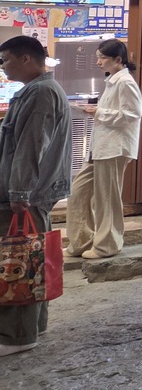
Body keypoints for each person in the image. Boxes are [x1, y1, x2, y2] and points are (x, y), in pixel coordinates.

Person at [0, 36, 72, 356]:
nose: (3, 66)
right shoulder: (39, 89)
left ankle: (17, 336)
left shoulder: (41, 92)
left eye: (6, 60)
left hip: (26, 194)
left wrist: (19, 192)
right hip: (32, 191)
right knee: (33, 257)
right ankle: (33, 327)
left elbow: (31, 145)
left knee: (17, 261)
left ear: (26, 59)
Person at [66, 39, 142, 259]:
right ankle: (81, 242)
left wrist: (98, 112)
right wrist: (96, 110)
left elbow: (133, 114)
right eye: (98, 57)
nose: (98, 62)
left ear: (118, 59)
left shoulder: (125, 82)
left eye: (102, 58)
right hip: (101, 146)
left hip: (114, 147)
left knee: (107, 199)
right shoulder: (113, 80)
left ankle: (107, 246)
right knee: (78, 192)